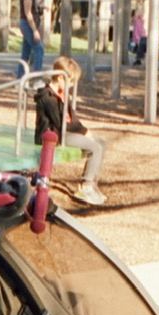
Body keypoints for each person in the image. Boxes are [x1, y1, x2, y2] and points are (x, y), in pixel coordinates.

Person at [33, 55, 106, 206]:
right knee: (94, 147)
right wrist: (83, 132)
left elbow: (72, 119)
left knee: (101, 143)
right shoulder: (47, 96)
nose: (72, 85)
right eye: (70, 81)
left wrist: (84, 130)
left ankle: (92, 183)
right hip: (54, 134)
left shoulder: (62, 94)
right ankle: (86, 186)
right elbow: (59, 122)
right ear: (60, 78)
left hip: (65, 131)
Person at [18, 0, 46, 75]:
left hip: (27, 24)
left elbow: (32, 10)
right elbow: (27, 12)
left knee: (26, 53)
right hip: (27, 25)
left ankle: (20, 77)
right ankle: (36, 77)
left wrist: (40, 8)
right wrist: (34, 31)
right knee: (39, 50)